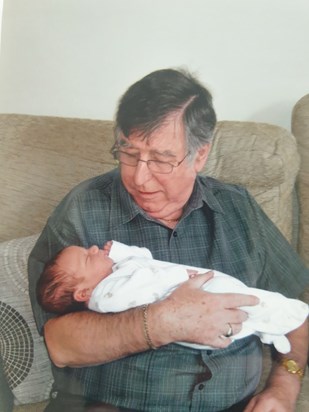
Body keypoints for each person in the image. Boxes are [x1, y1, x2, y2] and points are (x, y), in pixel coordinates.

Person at [28, 68, 309, 412]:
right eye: (129, 154)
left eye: (161, 160)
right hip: (113, 405)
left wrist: (284, 385)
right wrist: (163, 321)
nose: (140, 178)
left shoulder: (238, 209)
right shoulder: (83, 209)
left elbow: (294, 312)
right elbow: (60, 344)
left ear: (200, 155)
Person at [37, 240, 309, 355]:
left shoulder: (114, 275)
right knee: (250, 300)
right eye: (87, 255)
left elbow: (144, 257)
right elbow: (147, 289)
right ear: (83, 293)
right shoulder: (107, 296)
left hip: (201, 292)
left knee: (244, 301)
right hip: (196, 312)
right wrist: (178, 294)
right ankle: (284, 316)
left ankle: (269, 328)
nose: (94, 247)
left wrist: (118, 252)